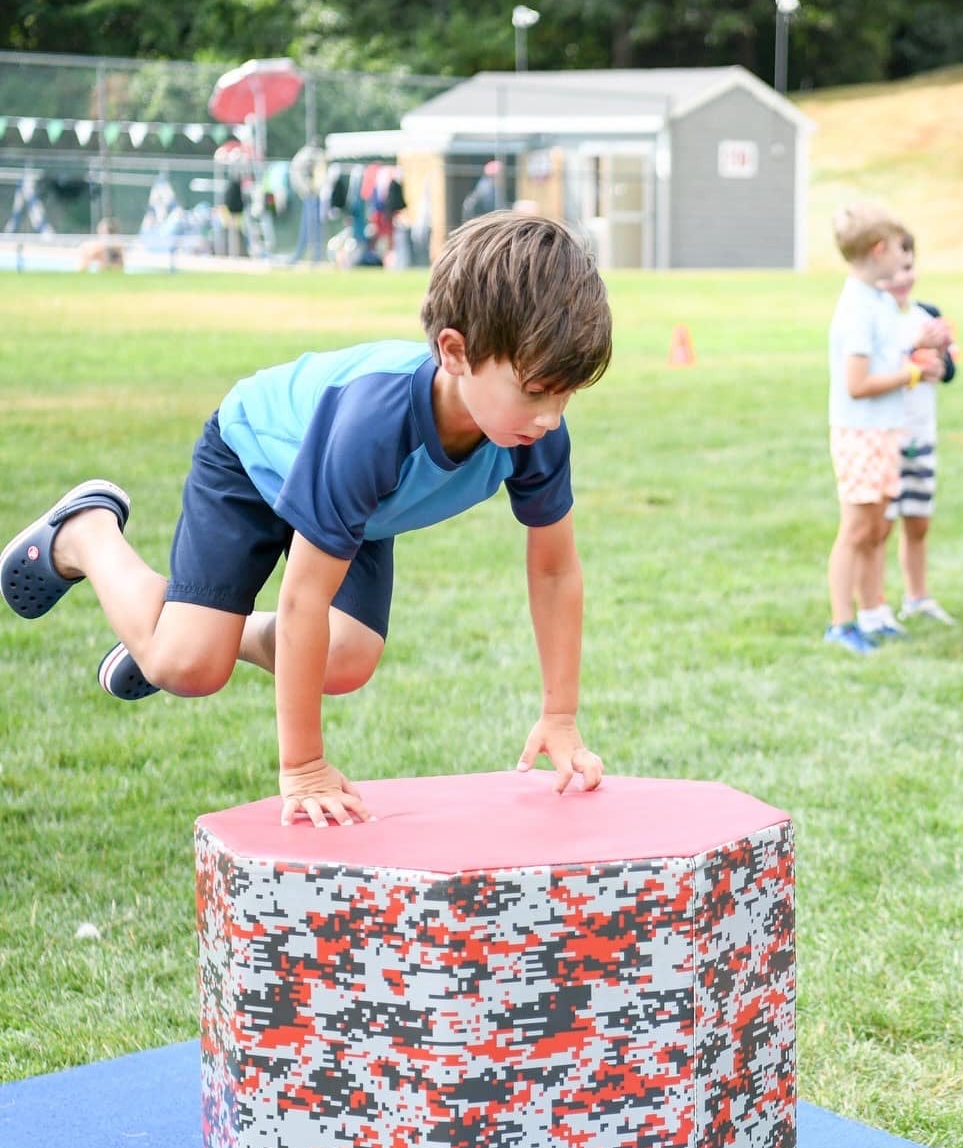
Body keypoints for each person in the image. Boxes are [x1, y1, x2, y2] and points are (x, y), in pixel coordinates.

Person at [2, 214, 612, 829]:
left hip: (356, 504)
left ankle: (202, 628)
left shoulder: (536, 437)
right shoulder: (375, 426)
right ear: (456, 353)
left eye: (567, 394)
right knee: (185, 668)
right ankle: (89, 533)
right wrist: (303, 768)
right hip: (256, 459)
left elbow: (555, 572)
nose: (551, 417)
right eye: (536, 391)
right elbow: (303, 601)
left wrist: (559, 716)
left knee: (346, 662)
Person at [824, 202, 946, 654]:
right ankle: (841, 623)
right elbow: (857, 384)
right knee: (856, 530)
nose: (903, 257)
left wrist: (919, 344)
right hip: (860, 434)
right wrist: (911, 374)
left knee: (878, 529)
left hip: (885, 430)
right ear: (879, 250)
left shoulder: (877, 301)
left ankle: (874, 612)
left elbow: (884, 353)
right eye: (898, 248)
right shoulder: (856, 308)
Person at [881, 232, 958, 625]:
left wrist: (941, 359)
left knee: (918, 521)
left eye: (908, 268)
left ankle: (917, 597)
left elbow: (949, 371)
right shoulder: (876, 319)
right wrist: (913, 347)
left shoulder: (928, 314)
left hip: (921, 434)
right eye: (892, 273)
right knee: (879, 526)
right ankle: (874, 604)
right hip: (883, 438)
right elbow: (874, 370)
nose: (902, 279)